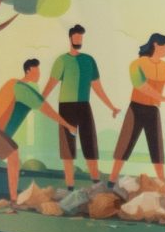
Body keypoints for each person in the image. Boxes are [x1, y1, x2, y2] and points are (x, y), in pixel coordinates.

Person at [105, 33, 165, 185]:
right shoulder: (137, 64)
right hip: (136, 109)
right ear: (156, 45)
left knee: (156, 148)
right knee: (125, 144)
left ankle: (163, 183)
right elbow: (142, 86)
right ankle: (112, 180)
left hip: (153, 111)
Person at [0, 59, 58, 205]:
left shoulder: (20, 87)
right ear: (28, 71)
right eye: (36, 71)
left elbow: (37, 101)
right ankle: (14, 199)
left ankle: (13, 199)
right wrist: (66, 124)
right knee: (13, 153)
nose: (39, 74)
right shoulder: (18, 86)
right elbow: (43, 106)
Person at [47, 24, 117, 189]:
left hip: (84, 106)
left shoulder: (89, 60)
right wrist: (39, 100)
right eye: (76, 37)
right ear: (70, 38)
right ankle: (70, 186)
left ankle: (96, 182)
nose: (79, 40)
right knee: (67, 147)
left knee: (90, 143)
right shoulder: (61, 60)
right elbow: (51, 83)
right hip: (66, 107)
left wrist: (111, 106)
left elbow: (97, 87)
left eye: (81, 37)